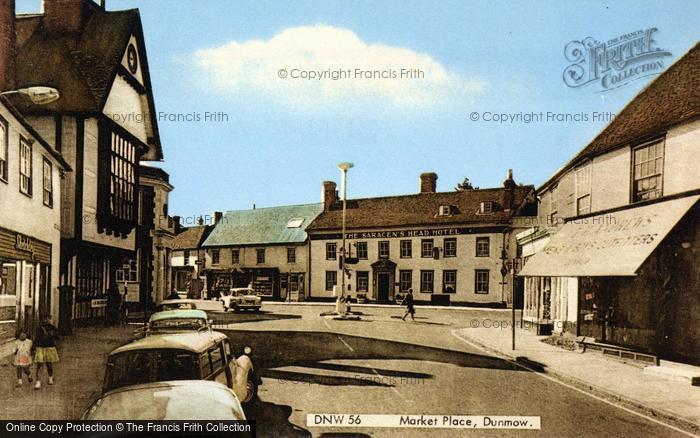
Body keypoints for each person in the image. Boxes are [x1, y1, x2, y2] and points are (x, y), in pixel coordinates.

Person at [34, 316, 60, 389]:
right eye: (44, 319)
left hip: (49, 347)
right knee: (39, 365)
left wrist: (53, 334)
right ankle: (38, 382)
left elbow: (58, 337)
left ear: (49, 319)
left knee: (49, 364)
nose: (45, 320)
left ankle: (50, 377)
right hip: (40, 348)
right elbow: (36, 338)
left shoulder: (52, 327)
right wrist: (34, 348)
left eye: (47, 319)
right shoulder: (39, 328)